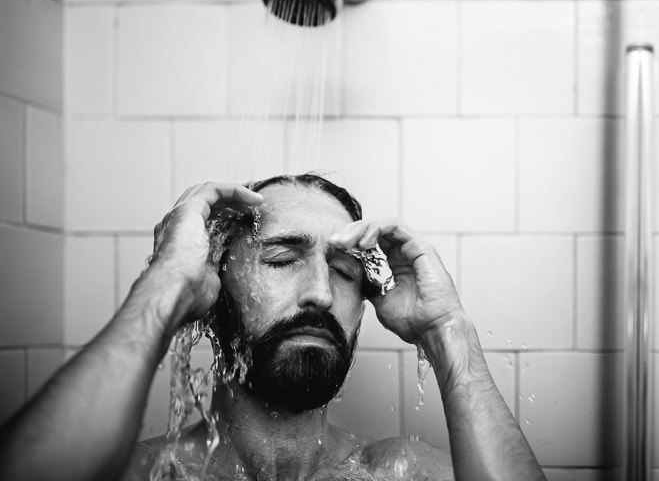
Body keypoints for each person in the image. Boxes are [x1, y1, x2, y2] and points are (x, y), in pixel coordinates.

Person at [0, 174, 546, 481]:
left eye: (344, 270)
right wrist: (166, 284)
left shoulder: (401, 475)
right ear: (213, 290)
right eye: (282, 259)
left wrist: (447, 330)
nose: (321, 292)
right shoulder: (145, 475)